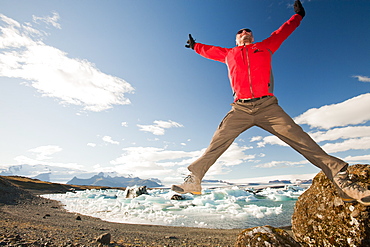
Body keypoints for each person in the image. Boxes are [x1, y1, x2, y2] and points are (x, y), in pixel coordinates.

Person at [172, 0, 370, 206]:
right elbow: (209, 50)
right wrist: (196, 46)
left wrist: (298, 16)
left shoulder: (265, 47)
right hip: (240, 108)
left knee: (301, 140)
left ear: (252, 36)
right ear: (236, 38)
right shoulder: (229, 54)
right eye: (240, 32)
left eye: (247, 31)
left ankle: (342, 181)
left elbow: (282, 32)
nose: (244, 32)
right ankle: (194, 179)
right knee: (217, 141)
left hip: (268, 108)